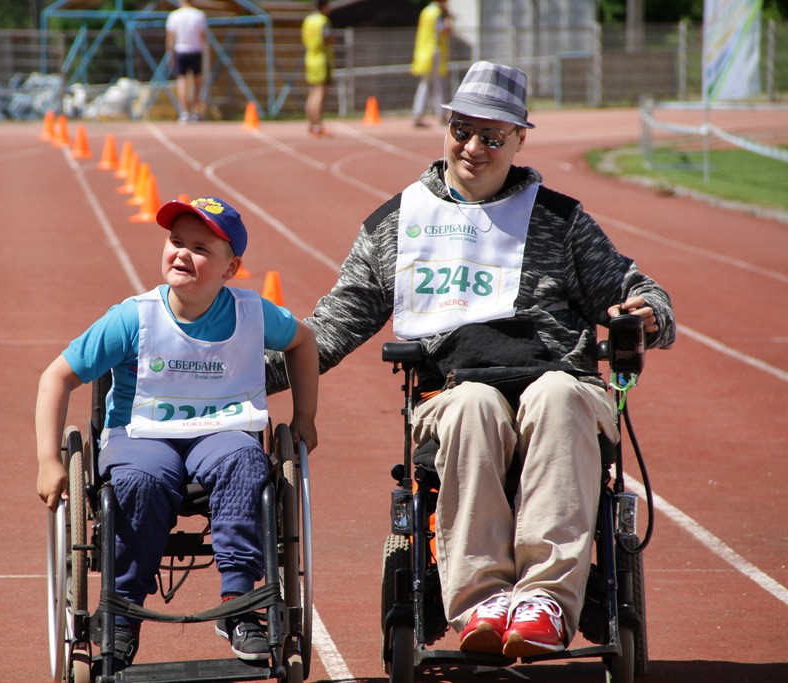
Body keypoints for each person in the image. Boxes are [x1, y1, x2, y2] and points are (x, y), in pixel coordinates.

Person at [265, 61, 675, 659]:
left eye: (493, 136)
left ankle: (544, 603)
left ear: (519, 139)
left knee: (557, 396)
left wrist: (650, 314)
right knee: (475, 407)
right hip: (455, 391)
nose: (474, 147)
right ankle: (481, 599)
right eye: (462, 130)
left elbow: (639, 290)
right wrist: (233, 372)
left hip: (559, 379)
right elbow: (331, 327)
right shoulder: (398, 223)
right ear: (447, 126)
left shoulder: (559, 220)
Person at [35, 196, 319, 669]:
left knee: (247, 463)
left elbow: (303, 340)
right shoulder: (134, 317)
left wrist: (306, 415)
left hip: (222, 432)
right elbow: (56, 377)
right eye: (175, 242)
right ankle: (121, 615)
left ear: (232, 268)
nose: (182, 254)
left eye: (200, 248)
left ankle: (239, 606)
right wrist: (48, 459)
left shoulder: (252, 313)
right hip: (142, 436)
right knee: (140, 482)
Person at [410, 0, 452, 128]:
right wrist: (449, 22)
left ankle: (417, 113)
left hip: (424, 50)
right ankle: (441, 114)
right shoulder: (437, 13)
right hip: (434, 50)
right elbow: (443, 30)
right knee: (438, 84)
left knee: (426, 83)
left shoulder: (426, 11)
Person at [166, 0, 208, 123]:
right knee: (197, 82)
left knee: (182, 81)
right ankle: (195, 112)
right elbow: (203, 36)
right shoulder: (199, 15)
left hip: (181, 50)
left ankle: (184, 113)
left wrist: (171, 55)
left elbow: (170, 39)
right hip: (196, 50)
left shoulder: (174, 15)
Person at [302, 0, 334, 138]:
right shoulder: (323, 21)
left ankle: (311, 125)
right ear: (324, 7)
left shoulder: (308, 20)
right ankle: (317, 126)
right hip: (321, 59)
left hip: (310, 57)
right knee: (319, 94)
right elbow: (327, 38)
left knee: (312, 93)